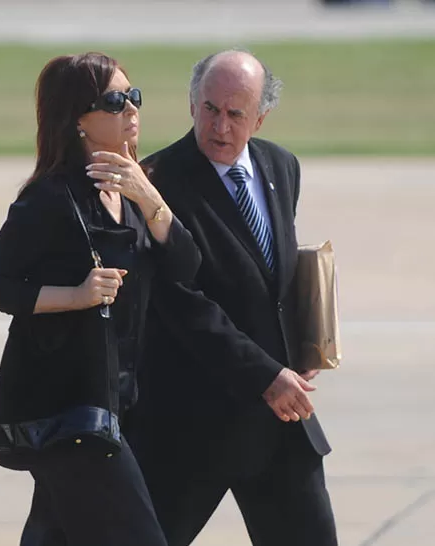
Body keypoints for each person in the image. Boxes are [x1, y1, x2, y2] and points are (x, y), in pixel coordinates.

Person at [0, 52, 200, 546]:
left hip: (122, 402)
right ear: (78, 117)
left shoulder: (133, 189)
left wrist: (150, 199)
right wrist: (75, 296)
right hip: (72, 408)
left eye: (133, 96)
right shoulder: (51, 198)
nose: (131, 109)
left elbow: (186, 266)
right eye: (115, 100)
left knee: (52, 536)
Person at [130, 50, 340, 546]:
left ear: (260, 117)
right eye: (210, 109)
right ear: (191, 104)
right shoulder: (158, 183)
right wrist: (264, 374)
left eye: (235, 114)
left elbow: (272, 277)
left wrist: (301, 348)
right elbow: (180, 301)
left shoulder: (280, 166)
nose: (219, 126)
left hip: (279, 422)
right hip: (191, 425)